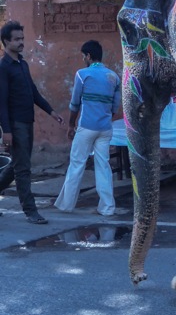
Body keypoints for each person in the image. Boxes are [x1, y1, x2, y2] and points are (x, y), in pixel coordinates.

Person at [0, 21, 63, 224]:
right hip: (15, 124)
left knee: (17, 166)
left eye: (22, 39)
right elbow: (1, 101)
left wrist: (51, 111)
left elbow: (33, 92)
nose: (21, 42)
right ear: (5, 42)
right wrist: (6, 130)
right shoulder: (3, 67)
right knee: (23, 169)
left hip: (27, 121)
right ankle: (30, 211)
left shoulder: (23, 64)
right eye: (16, 39)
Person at [55, 40, 122, 216]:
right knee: (103, 166)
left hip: (86, 127)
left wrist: (71, 125)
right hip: (105, 128)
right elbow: (115, 108)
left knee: (77, 164)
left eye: (83, 56)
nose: (83, 59)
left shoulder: (82, 75)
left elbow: (75, 104)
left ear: (89, 56)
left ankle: (66, 205)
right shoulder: (114, 77)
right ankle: (107, 208)